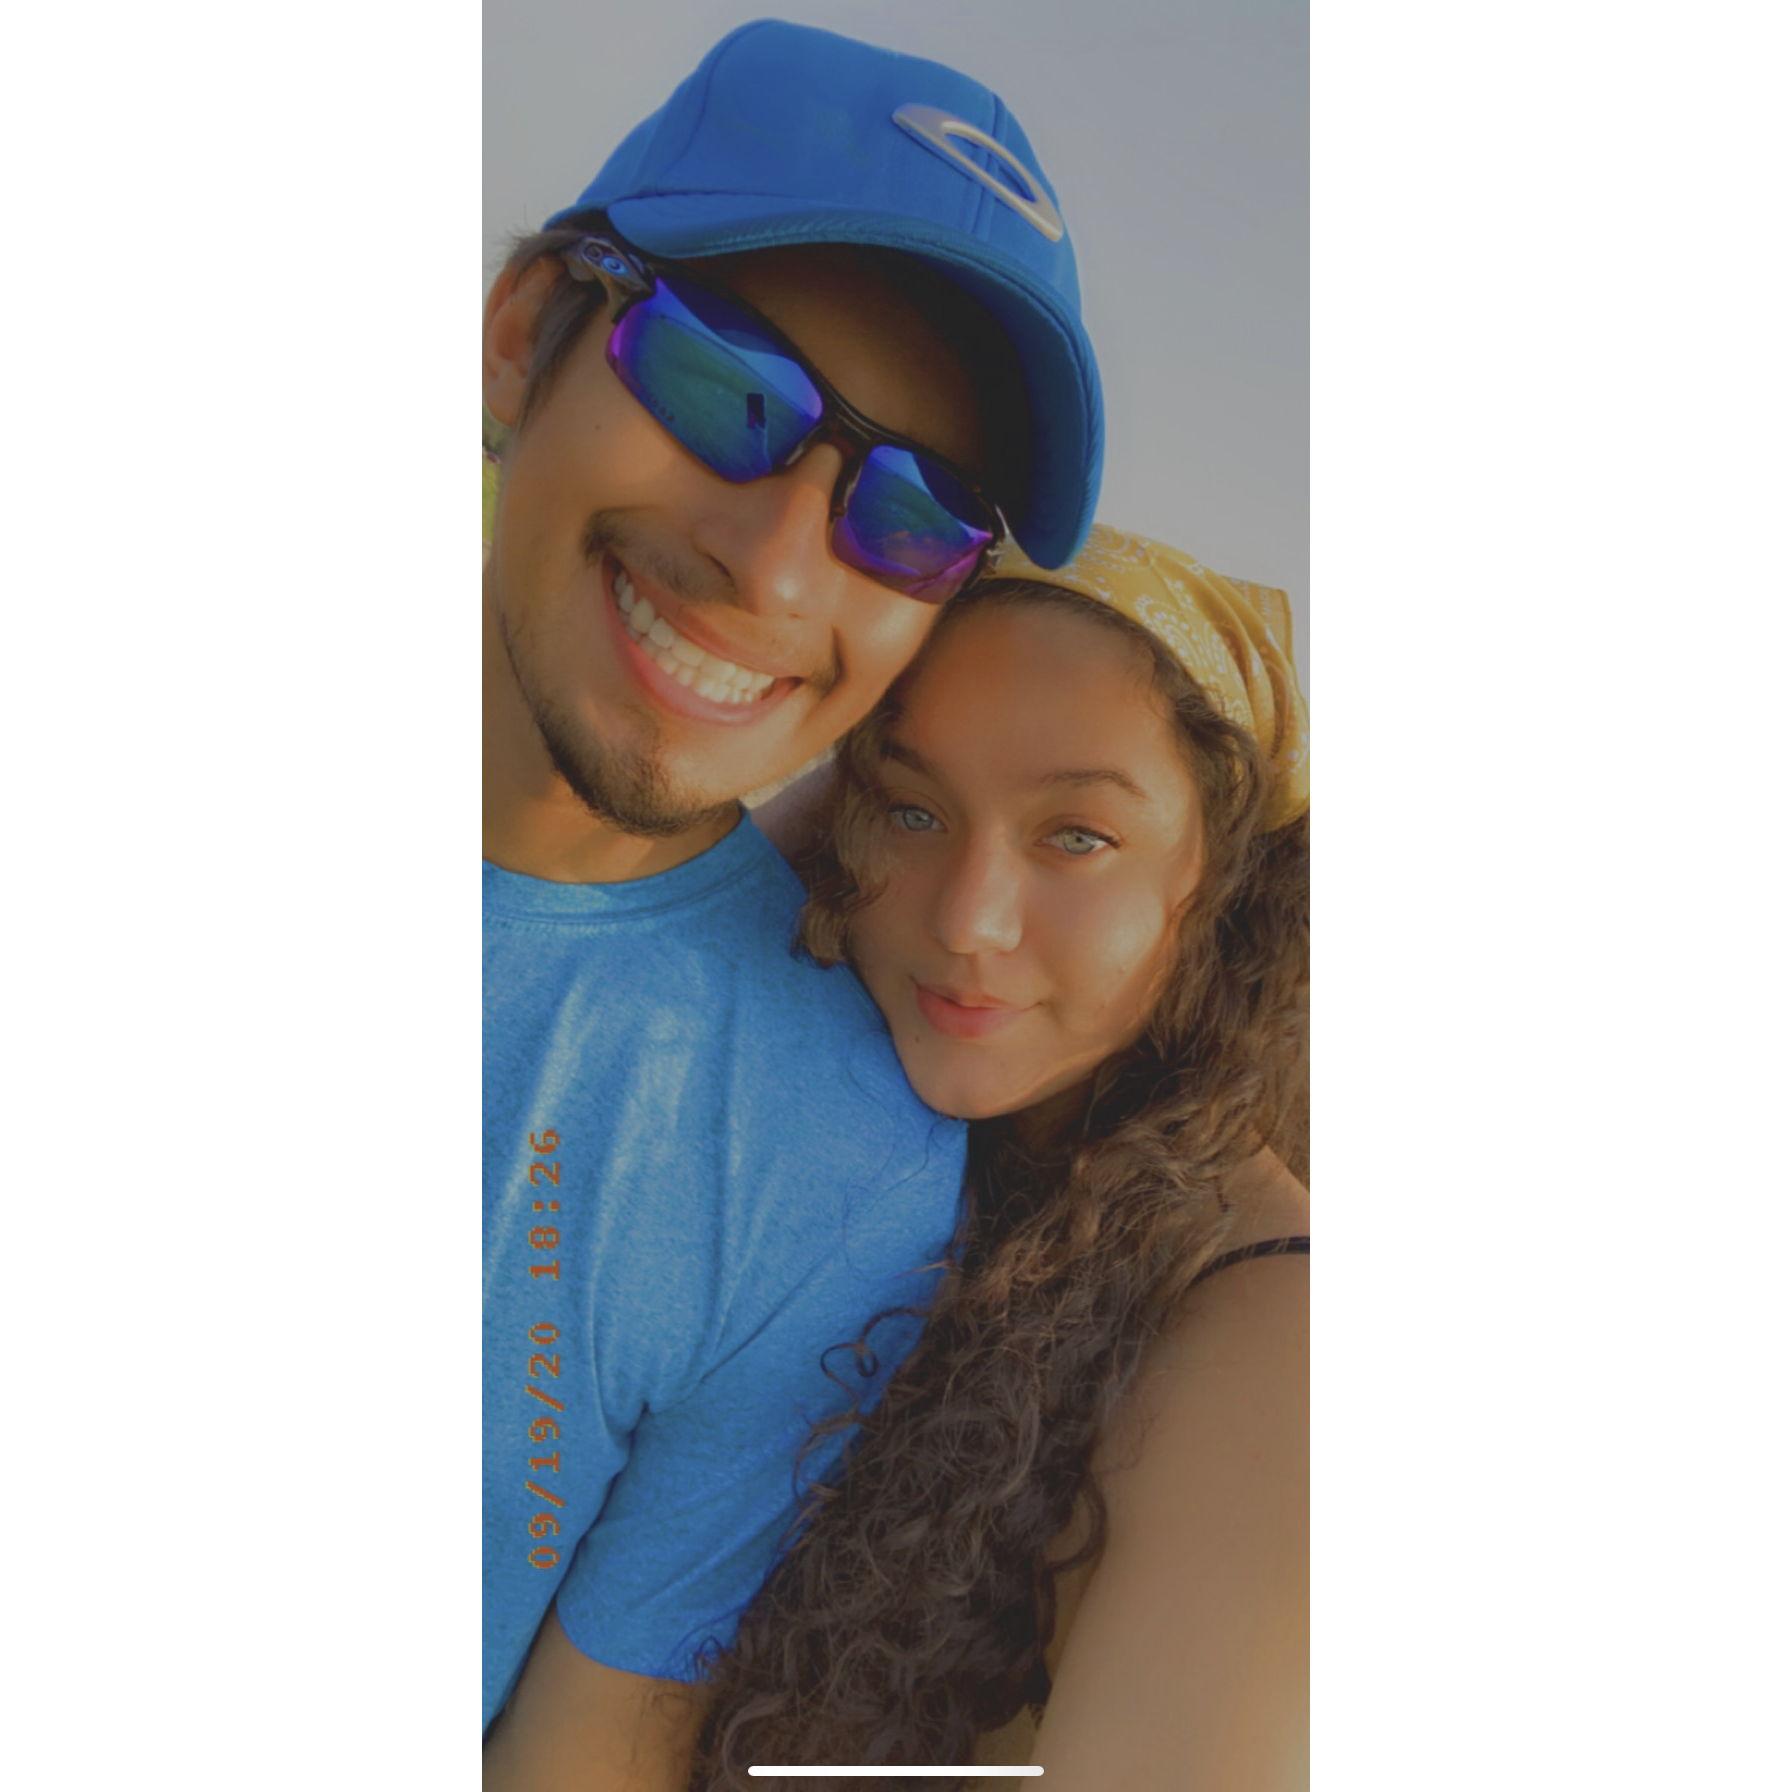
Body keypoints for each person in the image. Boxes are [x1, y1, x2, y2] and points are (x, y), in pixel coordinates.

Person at [481, 19, 1103, 1788]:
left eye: (916, 514)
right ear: (523, 335)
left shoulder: (838, 1165)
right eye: (719, 382)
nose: (773, 569)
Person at [692, 526, 1311, 1788]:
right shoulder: (896, 1176)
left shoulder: (1273, 1340)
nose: (967, 917)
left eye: (1076, 835)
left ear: (1228, 881)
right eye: (911, 809)